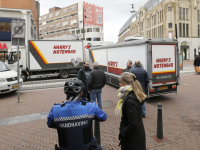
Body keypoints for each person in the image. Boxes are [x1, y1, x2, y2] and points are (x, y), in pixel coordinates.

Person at [47, 79, 107, 150]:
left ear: (66, 94)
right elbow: (103, 117)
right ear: (81, 93)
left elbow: (50, 124)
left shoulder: (56, 109)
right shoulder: (90, 106)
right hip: (87, 148)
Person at [115, 72, 146, 150]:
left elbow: (133, 124)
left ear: (125, 84)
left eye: (120, 83)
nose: (119, 84)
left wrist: (123, 133)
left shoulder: (130, 101)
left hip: (132, 140)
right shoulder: (134, 94)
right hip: (137, 136)